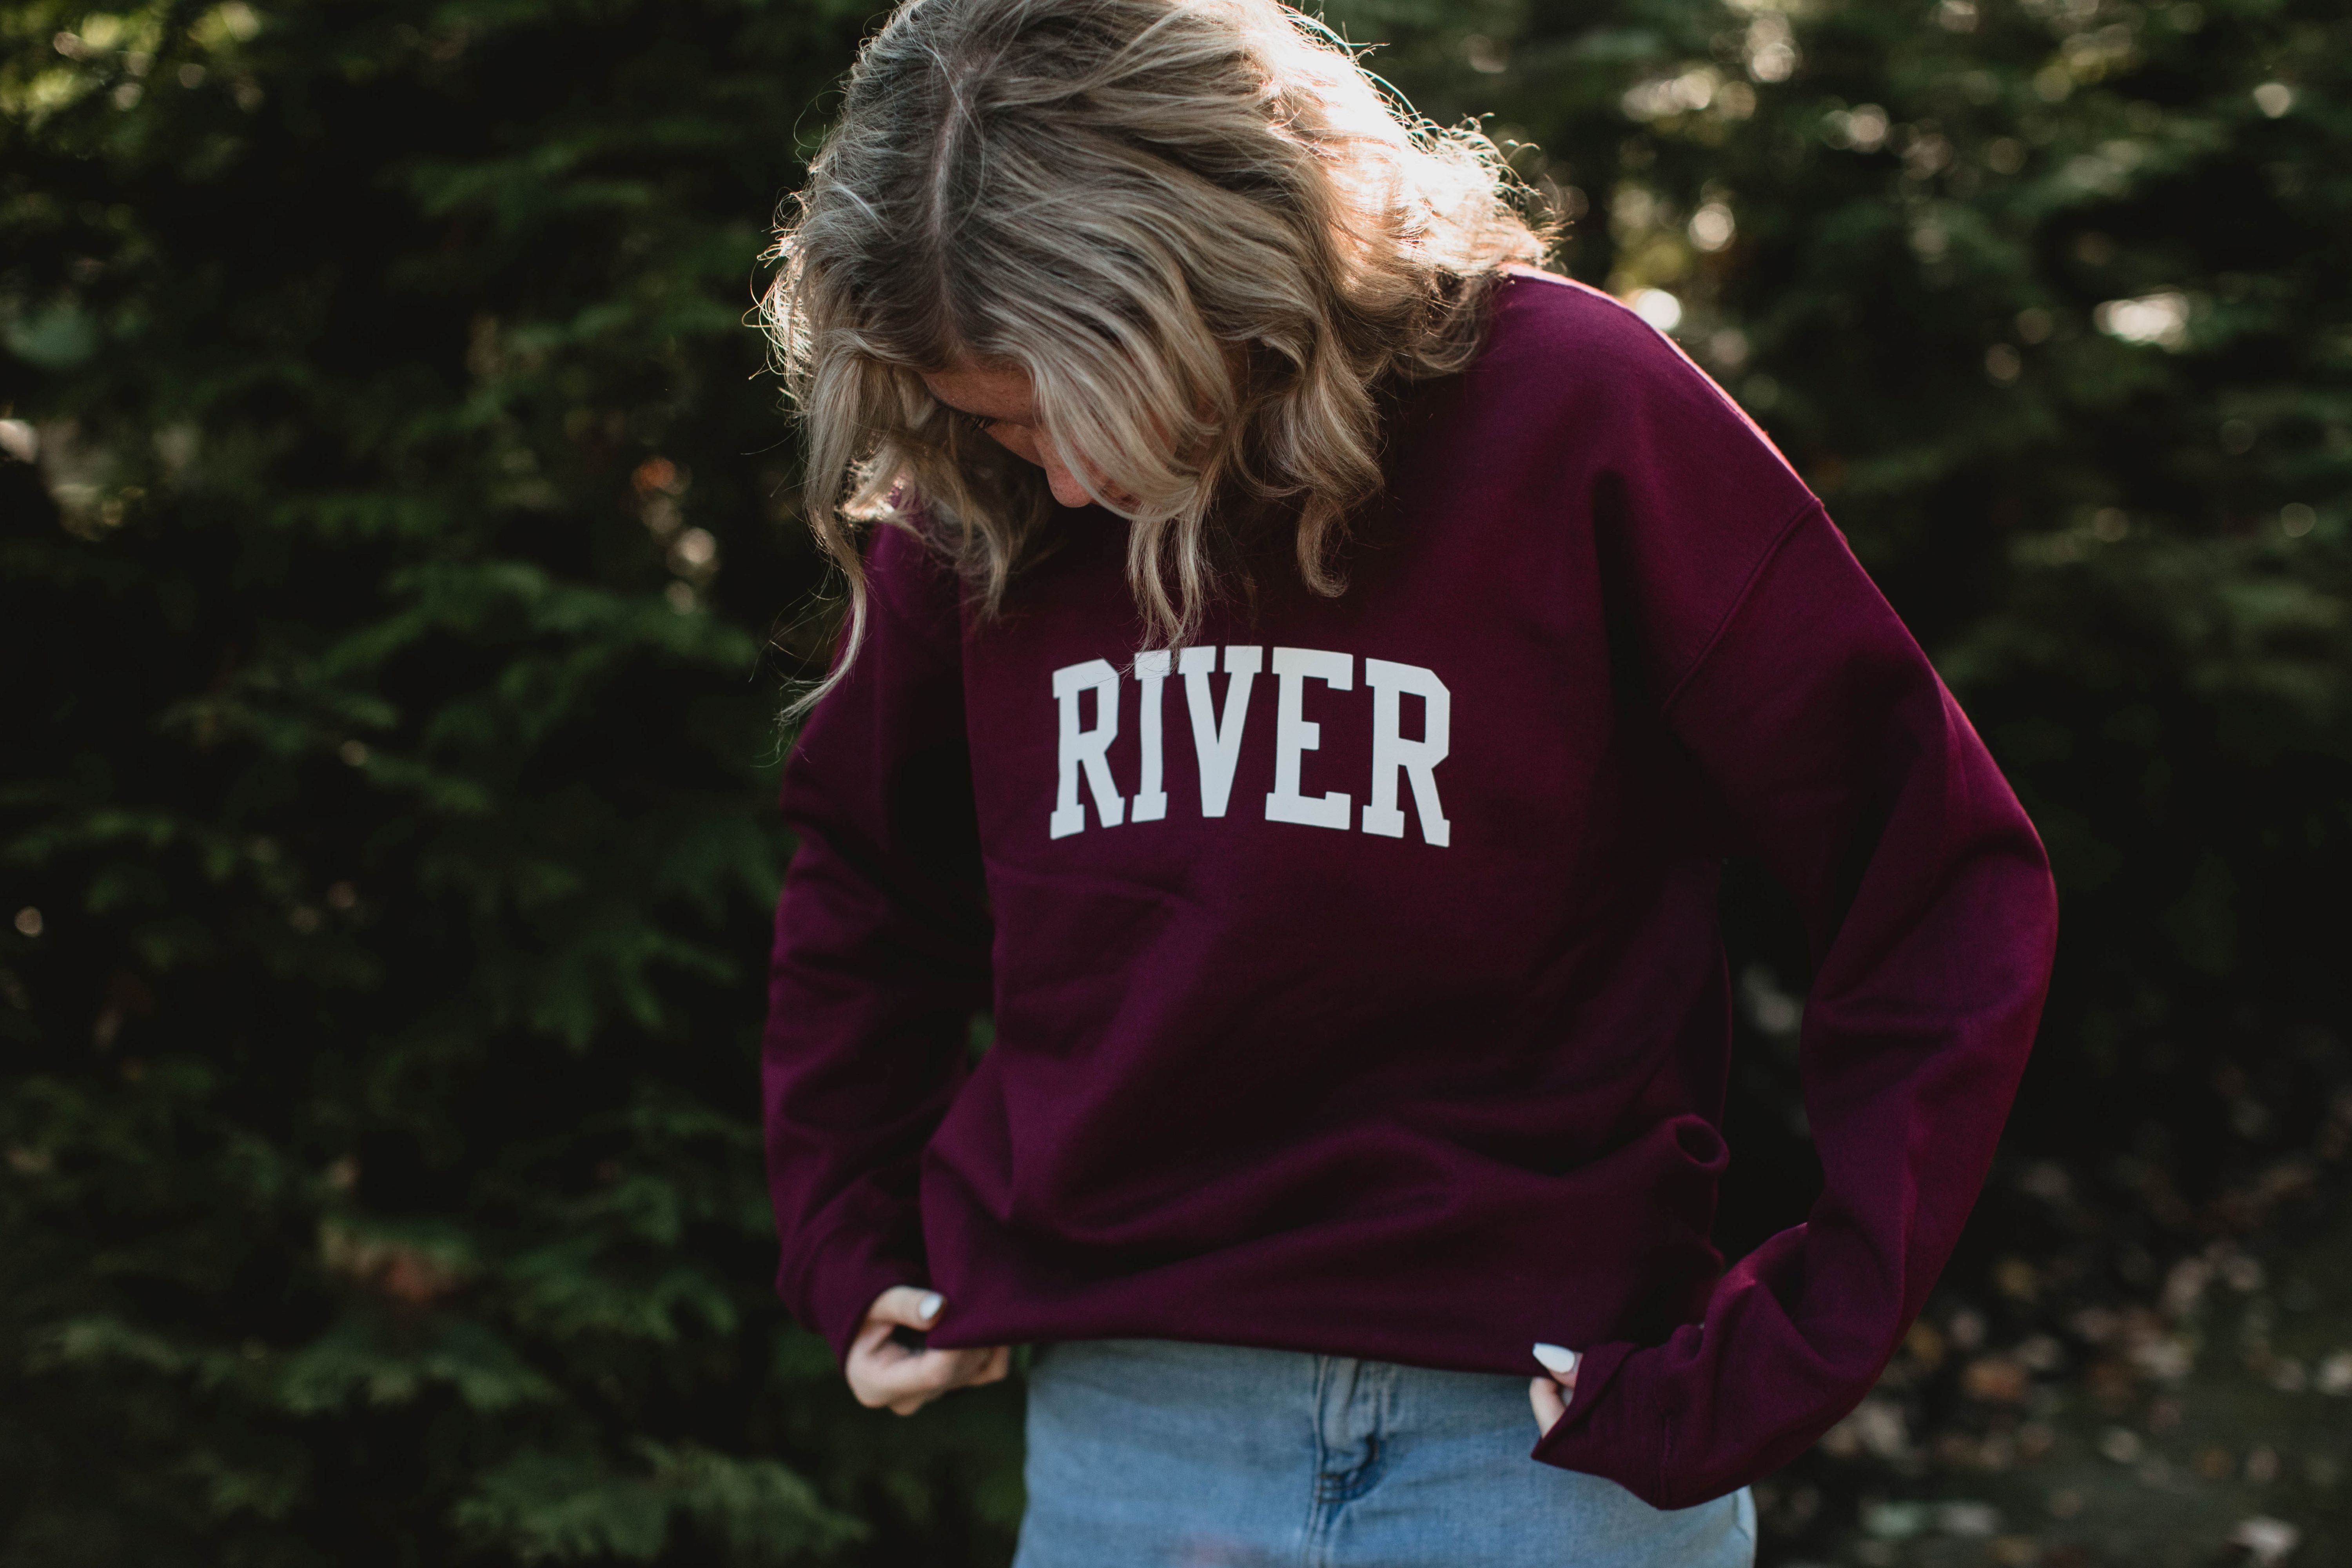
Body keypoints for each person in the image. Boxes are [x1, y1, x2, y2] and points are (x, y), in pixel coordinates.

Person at [755, 0, 2059, 1561]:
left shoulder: (1577, 405)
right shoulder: (979, 503)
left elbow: (1933, 871)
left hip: (1546, 1449)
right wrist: (845, 1233)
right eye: (1012, 421)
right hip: (1133, 1440)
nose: (1073, 475)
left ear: (1233, 271)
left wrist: (1797, 1337)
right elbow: (868, 882)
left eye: (1089, 399)